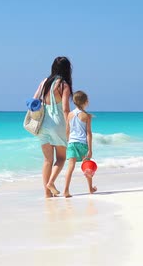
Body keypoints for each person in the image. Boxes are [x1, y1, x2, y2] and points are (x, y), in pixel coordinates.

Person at [32, 57, 72, 198]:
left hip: (42, 125)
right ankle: (51, 182)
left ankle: (47, 193)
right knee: (61, 158)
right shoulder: (63, 85)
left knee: (47, 160)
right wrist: (69, 126)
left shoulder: (44, 82)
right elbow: (66, 109)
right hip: (58, 123)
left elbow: (34, 100)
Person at [61, 91, 96, 198]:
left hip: (71, 143)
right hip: (82, 144)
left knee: (70, 167)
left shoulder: (70, 115)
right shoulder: (86, 116)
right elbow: (88, 133)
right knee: (87, 166)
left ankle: (66, 190)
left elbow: (67, 130)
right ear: (85, 102)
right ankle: (90, 188)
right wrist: (90, 149)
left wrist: (68, 142)